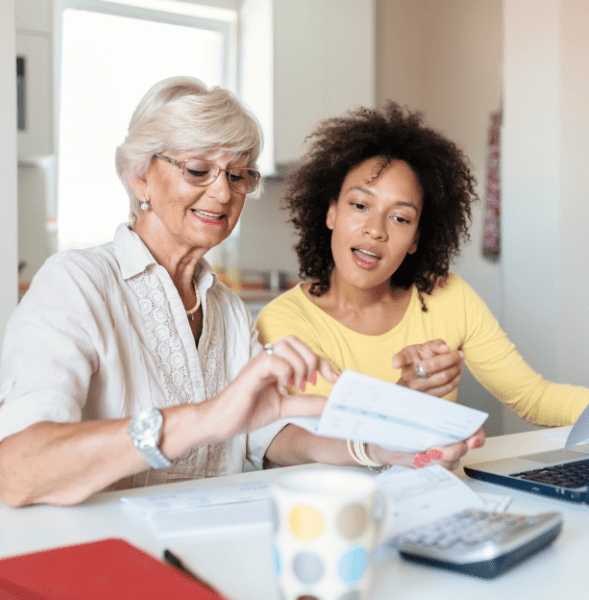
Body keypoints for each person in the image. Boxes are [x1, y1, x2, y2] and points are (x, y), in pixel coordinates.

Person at [0, 77, 344, 507]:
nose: (223, 192)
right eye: (198, 170)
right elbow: (17, 469)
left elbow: (263, 433)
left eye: (238, 175)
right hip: (102, 556)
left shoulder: (228, 309)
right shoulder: (75, 283)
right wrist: (204, 419)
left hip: (205, 548)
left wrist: (370, 451)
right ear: (140, 176)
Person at [257, 102, 589, 469]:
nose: (376, 229)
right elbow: (317, 440)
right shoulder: (282, 323)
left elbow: (534, 398)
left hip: (437, 498)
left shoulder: (449, 297)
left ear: (416, 238)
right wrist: (403, 398)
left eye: (400, 217)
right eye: (359, 205)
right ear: (331, 212)